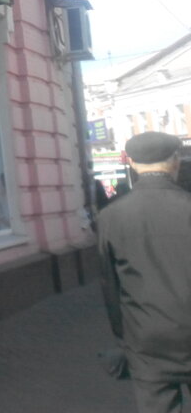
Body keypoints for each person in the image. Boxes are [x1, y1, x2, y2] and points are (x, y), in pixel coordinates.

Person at [97, 131, 191, 412]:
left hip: (146, 336)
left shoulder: (110, 216)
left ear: (132, 164)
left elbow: (109, 286)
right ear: (175, 162)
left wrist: (123, 337)